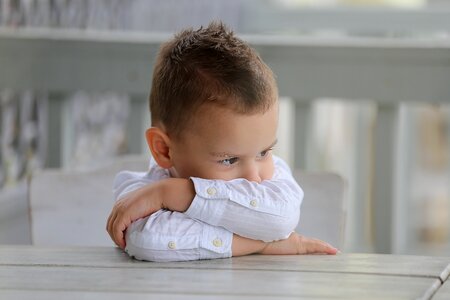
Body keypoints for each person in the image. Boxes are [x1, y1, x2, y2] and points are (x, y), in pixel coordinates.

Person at [106, 22, 338, 262]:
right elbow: (148, 241)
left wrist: (178, 194)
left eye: (263, 152)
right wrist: (263, 244)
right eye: (229, 159)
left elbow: (281, 218)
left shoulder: (276, 176)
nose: (254, 178)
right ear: (164, 149)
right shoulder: (140, 190)